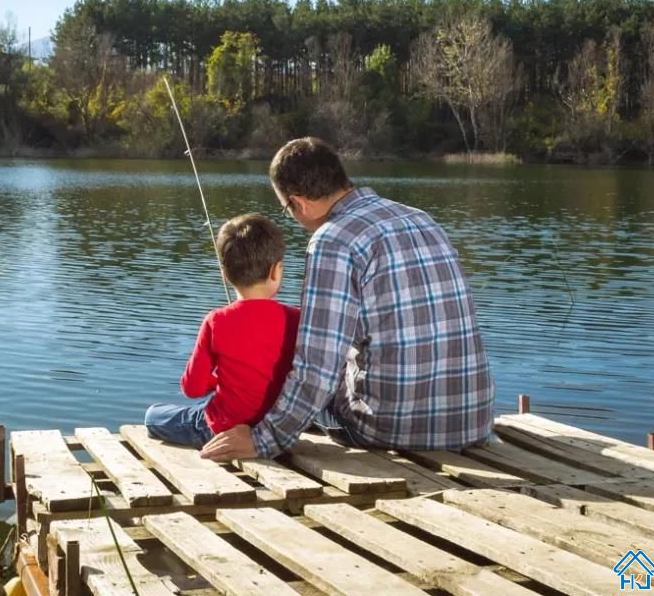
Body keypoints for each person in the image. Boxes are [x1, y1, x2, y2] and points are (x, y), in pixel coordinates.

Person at [200, 137, 494, 461]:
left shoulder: (333, 240)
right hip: (471, 422)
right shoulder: (421, 218)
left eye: (287, 210)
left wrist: (263, 440)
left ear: (299, 203)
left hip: (390, 429)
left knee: (273, 381)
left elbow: (317, 368)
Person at [144, 213, 300, 448]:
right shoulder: (297, 319)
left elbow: (192, 388)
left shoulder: (216, 321)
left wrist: (215, 380)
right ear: (276, 271)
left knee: (153, 416)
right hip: (274, 428)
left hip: (220, 429)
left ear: (225, 273)